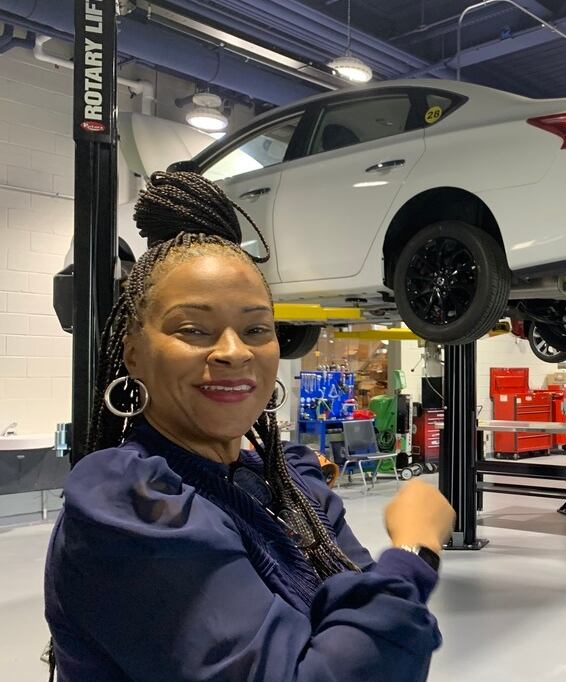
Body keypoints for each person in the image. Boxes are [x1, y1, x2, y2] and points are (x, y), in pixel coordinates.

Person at [44, 171, 455, 681]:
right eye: (193, 329)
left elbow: (363, 629)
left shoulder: (290, 486)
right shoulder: (127, 510)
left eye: (256, 328)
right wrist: (414, 550)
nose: (235, 352)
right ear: (133, 352)